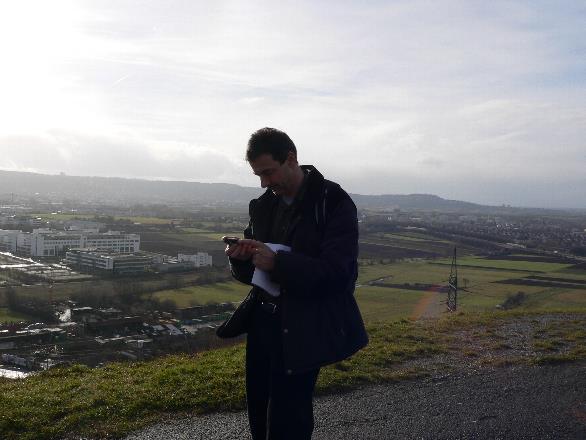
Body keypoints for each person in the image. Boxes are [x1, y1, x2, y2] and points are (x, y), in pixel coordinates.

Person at [220, 127, 368, 440]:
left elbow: (339, 275)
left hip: (303, 327)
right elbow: (253, 274)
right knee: (259, 413)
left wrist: (278, 263)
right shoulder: (263, 205)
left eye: (268, 172)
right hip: (263, 323)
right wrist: (242, 259)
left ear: (291, 158)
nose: (264, 183)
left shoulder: (333, 202)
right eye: (258, 175)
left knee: (288, 421)